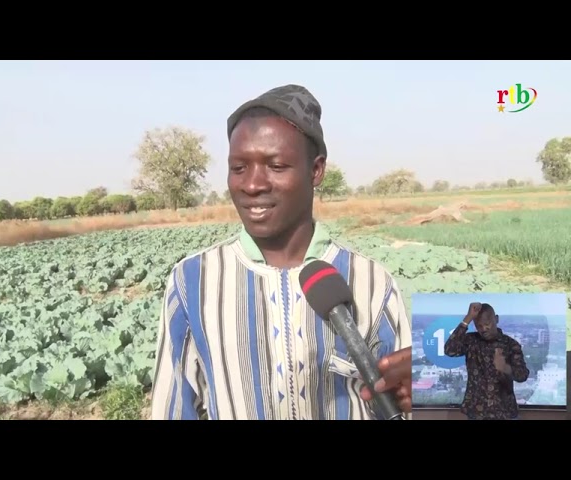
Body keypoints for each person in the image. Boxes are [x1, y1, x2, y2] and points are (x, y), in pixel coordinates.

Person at [150, 84, 412, 420]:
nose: (253, 184)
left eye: (275, 166)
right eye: (239, 168)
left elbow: (411, 401)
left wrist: (426, 392)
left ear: (315, 171)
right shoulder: (193, 281)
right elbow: (172, 409)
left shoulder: (372, 281)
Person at [444, 301, 529, 420]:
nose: (483, 329)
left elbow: (522, 376)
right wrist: (468, 318)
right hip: (476, 412)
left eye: (487, 324)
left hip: (505, 412)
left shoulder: (511, 345)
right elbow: (449, 350)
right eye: (479, 326)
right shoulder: (471, 341)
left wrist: (505, 368)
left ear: (496, 319)